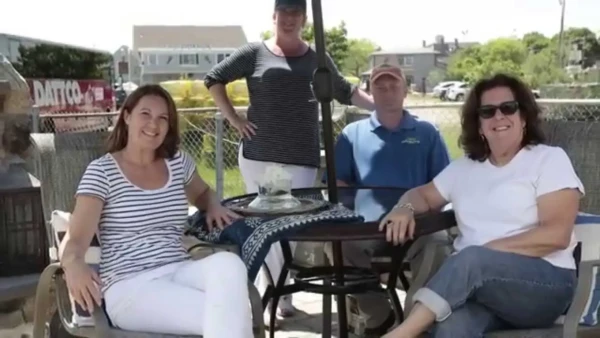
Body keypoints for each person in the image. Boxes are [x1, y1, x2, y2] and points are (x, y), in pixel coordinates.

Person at [204, 0, 376, 323]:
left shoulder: (316, 57)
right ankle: (266, 298)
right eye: (284, 13)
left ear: (304, 20)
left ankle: (277, 294)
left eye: (297, 13)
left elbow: (344, 90)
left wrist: (380, 106)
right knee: (266, 226)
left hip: (301, 159)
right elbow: (215, 78)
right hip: (260, 156)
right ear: (274, 17)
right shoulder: (254, 53)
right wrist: (233, 118)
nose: (290, 19)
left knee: (290, 231)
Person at [379, 73, 582, 338]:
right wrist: (403, 208)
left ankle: (401, 334)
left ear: (523, 117)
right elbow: (422, 195)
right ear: (479, 124)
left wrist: (480, 259)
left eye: (508, 108)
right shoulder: (463, 169)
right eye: (488, 111)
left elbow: (556, 235)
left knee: (471, 259)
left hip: (544, 285)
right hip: (478, 290)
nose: (498, 117)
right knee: (452, 327)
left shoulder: (549, 160)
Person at [59, 85, 253, 338]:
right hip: (130, 287)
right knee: (228, 314)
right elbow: (75, 241)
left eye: (163, 118)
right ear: (127, 116)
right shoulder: (102, 172)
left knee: (229, 265)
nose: (154, 124)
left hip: (179, 269)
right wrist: (73, 264)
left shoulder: (178, 163)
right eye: (146, 114)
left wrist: (213, 204)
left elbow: (203, 193)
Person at [323, 63, 451, 336]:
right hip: (367, 228)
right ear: (371, 93)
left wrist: (420, 214)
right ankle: (379, 316)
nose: (387, 92)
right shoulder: (351, 134)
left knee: (439, 245)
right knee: (335, 247)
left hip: (417, 225)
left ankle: (416, 321)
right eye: (380, 87)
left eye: (394, 86)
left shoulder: (428, 132)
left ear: (405, 91)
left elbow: (443, 185)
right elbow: (338, 182)